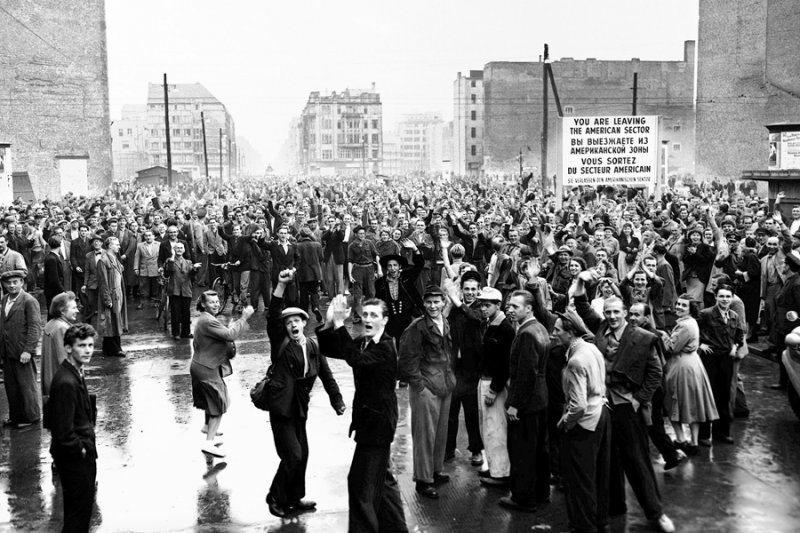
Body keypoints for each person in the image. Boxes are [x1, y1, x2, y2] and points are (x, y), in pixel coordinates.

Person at [573, 273, 675, 533]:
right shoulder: (600, 329)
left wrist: (639, 400)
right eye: (608, 311)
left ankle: (656, 513)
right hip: (602, 405)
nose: (612, 316)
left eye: (617, 311)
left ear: (626, 312)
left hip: (626, 406)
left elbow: (655, 374)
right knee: (606, 461)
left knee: (637, 461)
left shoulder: (640, 336)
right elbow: (581, 305)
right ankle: (614, 506)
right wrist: (582, 281)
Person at [317, 295, 409, 533]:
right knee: (383, 483)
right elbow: (332, 348)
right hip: (369, 423)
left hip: (377, 427)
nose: (368, 320)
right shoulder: (365, 341)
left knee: (361, 486)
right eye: (365, 314)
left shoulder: (385, 347)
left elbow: (355, 360)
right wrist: (329, 324)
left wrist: (340, 325)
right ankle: (397, 529)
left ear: (385, 320)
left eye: (374, 315)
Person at [265, 269, 345, 518]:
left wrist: (337, 400)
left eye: (296, 321)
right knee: (293, 454)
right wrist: (280, 285)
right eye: (288, 323)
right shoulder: (281, 342)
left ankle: (294, 497)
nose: (292, 325)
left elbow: (326, 374)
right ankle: (275, 496)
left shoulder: (312, 345)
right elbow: (272, 317)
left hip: (300, 405)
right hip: (281, 405)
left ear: (304, 323)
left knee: (303, 454)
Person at [551, 309, 611, 533]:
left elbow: (578, 405)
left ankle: (583, 526)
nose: (554, 334)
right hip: (602, 413)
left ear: (570, 333)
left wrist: (565, 423)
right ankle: (599, 521)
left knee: (579, 480)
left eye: (558, 330)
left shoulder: (575, 360)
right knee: (598, 475)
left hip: (585, 423)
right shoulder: (591, 348)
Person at [398, 285, 456, 500]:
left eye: (437, 302)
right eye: (429, 302)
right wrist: (419, 386)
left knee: (440, 432)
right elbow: (406, 360)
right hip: (426, 387)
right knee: (424, 435)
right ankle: (423, 480)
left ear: (444, 303)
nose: (433, 306)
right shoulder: (417, 327)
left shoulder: (445, 323)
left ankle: (435, 470)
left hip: (445, 384)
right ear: (424, 303)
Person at [499, 289, 551, 513]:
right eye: (509, 306)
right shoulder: (539, 328)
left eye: (515, 307)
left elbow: (527, 373)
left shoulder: (527, 333)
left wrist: (515, 405)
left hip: (527, 403)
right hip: (540, 399)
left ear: (528, 308)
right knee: (539, 449)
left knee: (522, 451)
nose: (510, 310)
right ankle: (541, 492)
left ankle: (522, 497)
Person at [48, 323, 98, 533]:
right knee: (78, 515)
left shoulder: (75, 372)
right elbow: (62, 429)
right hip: (76, 459)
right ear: (68, 348)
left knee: (79, 511)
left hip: (78, 455)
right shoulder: (66, 381)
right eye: (81, 346)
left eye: (90, 345)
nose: (87, 351)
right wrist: (82, 450)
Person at [191, 292, 253, 457]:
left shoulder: (205, 318)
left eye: (217, 301)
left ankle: (206, 426)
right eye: (211, 302)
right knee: (220, 403)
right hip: (207, 368)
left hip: (201, 365)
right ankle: (209, 443)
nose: (216, 304)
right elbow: (230, 335)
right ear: (203, 304)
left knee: (210, 400)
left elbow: (224, 332)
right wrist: (244, 318)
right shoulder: (208, 320)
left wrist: (232, 324)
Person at [661, 295, 719, 455]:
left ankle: (681, 439)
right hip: (693, 363)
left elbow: (672, 348)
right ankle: (693, 442)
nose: (678, 307)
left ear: (690, 309)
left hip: (682, 365)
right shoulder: (690, 322)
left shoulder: (685, 325)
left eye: (683, 305)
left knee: (674, 403)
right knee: (693, 405)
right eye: (678, 304)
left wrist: (664, 336)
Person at [442, 272, 484, 466]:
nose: (469, 293)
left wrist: (457, 302)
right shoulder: (456, 309)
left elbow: (476, 319)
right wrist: (450, 301)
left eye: (473, 289)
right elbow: (443, 324)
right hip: (454, 368)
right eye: (466, 289)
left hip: (472, 369)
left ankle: (476, 450)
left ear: (479, 290)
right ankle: (448, 448)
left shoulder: (481, 308)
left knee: (471, 412)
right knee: (451, 411)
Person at [474, 286, 514, 486]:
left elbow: (504, 363)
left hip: (494, 384)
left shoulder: (504, 329)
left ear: (498, 305)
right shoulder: (491, 325)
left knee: (496, 428)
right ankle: (494, 467)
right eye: (481, 305)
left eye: (487, 305)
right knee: (487, 427)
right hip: (486, 379)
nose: (483, 308)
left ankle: (501, 472)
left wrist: (493, 389)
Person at [697, 284, 744, 445]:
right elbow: (692, 331)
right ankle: (703, 435)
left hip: (726, 360)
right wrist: (699, 345)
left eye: (728, 296)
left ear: (732, 298)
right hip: (710, 359)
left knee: (724, 396)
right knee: (707, 395)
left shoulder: (734, 316)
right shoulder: (705, 314)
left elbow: (739, 335)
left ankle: (721, 433)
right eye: (721, 296)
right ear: (716, 297)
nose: (724, 299)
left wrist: (735, 347)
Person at [0, 269, 43, 428]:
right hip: (8, 351)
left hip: (22, 351)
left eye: (15, 282)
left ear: (22, 283)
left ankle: (31, 418)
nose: (11, 285)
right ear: (4, 284)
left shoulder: (29, 301)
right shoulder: (5, 299)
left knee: (27, 386)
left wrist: (28, 350)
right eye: (8, 283)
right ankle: (16, 417)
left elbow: (34, 327)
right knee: (12, 387)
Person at [374, 240, 424, 346]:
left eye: (395, 265)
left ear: (399, 266)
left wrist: (415, 249)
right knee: (391, 345)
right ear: (386, 267)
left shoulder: (406, 277)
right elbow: (378, 301)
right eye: (390, 266)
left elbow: (419, 265)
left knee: (408, 343)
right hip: (390, 318)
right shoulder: (380, 283)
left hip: (407, 316)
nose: (392, 268)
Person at [41, 291, 79, 400]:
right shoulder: (62, 328)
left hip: (53, 381)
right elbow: (65, 360)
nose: (77, 310)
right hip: (63, 386)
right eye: (73, 308)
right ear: (62, 311)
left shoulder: (51, 323)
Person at [96, 236, 127, 357]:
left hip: (118, 293)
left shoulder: (115, 258)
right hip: (111, 294)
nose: (119, 246)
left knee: (116, 321)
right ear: (109, 245)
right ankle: (113, 349)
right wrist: (107, 299)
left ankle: (113, 347)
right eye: (116, 244)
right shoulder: (103, 260)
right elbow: (103, 282)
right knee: (110, 322)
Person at [164, 242, 200, 340]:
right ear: (174, 250)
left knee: (186, 312)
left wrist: (195, 269)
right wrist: (172, 257)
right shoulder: (169, 261)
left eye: (181, 248)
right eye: (177, 248)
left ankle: (186, 332)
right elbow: (168, 273)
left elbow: (192, 274)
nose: (179, 249)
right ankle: (176, 333)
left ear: (184, 250)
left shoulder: (188, 262)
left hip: (186, 290)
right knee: (175, 313)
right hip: (174, 290)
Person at [348, 226, 381, 324]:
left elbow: (376, 255)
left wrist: (379, 269)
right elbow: (350, 261)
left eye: (363, 233)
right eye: (360, 233)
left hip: (370, 269)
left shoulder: (370, 243)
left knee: (371, 293)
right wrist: (350, 275)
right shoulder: (352, 246)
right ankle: (357, 315)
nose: (362, 235)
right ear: (356, 234)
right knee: (357, 295)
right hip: (358, 269)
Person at [133, 229, 160, 310]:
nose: (148, 237)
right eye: (146, 236)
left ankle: (156, 301)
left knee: (155, 286)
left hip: (155, 268)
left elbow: (161, 257)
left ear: (154, 236)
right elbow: (137, 257)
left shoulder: (159, 244)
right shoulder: (140, 245)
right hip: (144, 268)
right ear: (144, 237)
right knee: (143, 286)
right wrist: (136, 268)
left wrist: (161, 267)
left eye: (150, 235)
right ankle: (142, 302)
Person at [44, 236, 66, 311]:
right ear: (59, 245)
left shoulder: (51, 257)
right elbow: (54, 279)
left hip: (53, 291)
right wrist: (62, 291)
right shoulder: (52, 259)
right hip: (53, 292)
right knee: (54, 313)